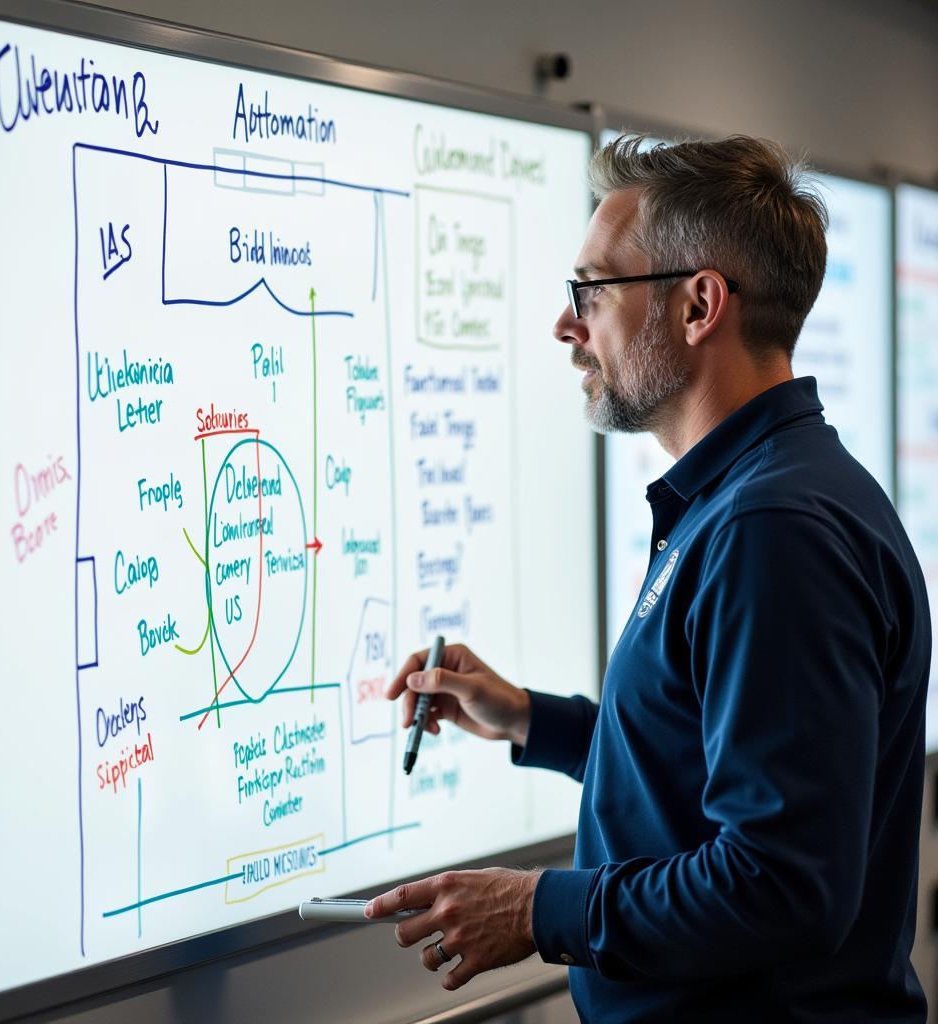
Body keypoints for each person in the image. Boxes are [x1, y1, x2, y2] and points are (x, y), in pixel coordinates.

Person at [365, 135, 932, 1022]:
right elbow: (701, 775)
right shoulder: (752, 500)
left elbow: (782, 883)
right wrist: (533, 720)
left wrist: (539, 908)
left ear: (701, 303)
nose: (567, 324)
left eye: (591, 290)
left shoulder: (772, 530)